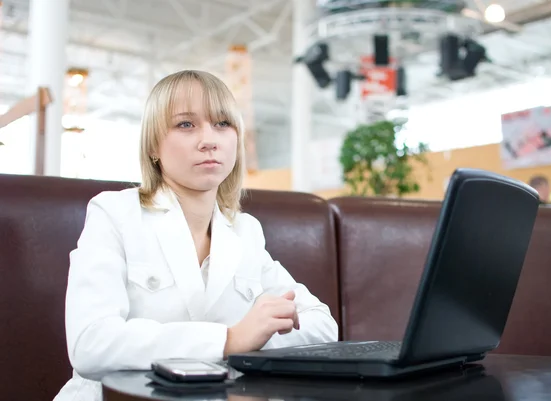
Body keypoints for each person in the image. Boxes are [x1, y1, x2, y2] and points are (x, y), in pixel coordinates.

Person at [54, 70, 338, 401]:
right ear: (153, 147)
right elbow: (90, 344)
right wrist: (228, 340)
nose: (209, 140)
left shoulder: (245, 231)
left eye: (222, 123)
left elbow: (322, 326)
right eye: (186, 125)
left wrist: (253, 339)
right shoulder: (114, 214)